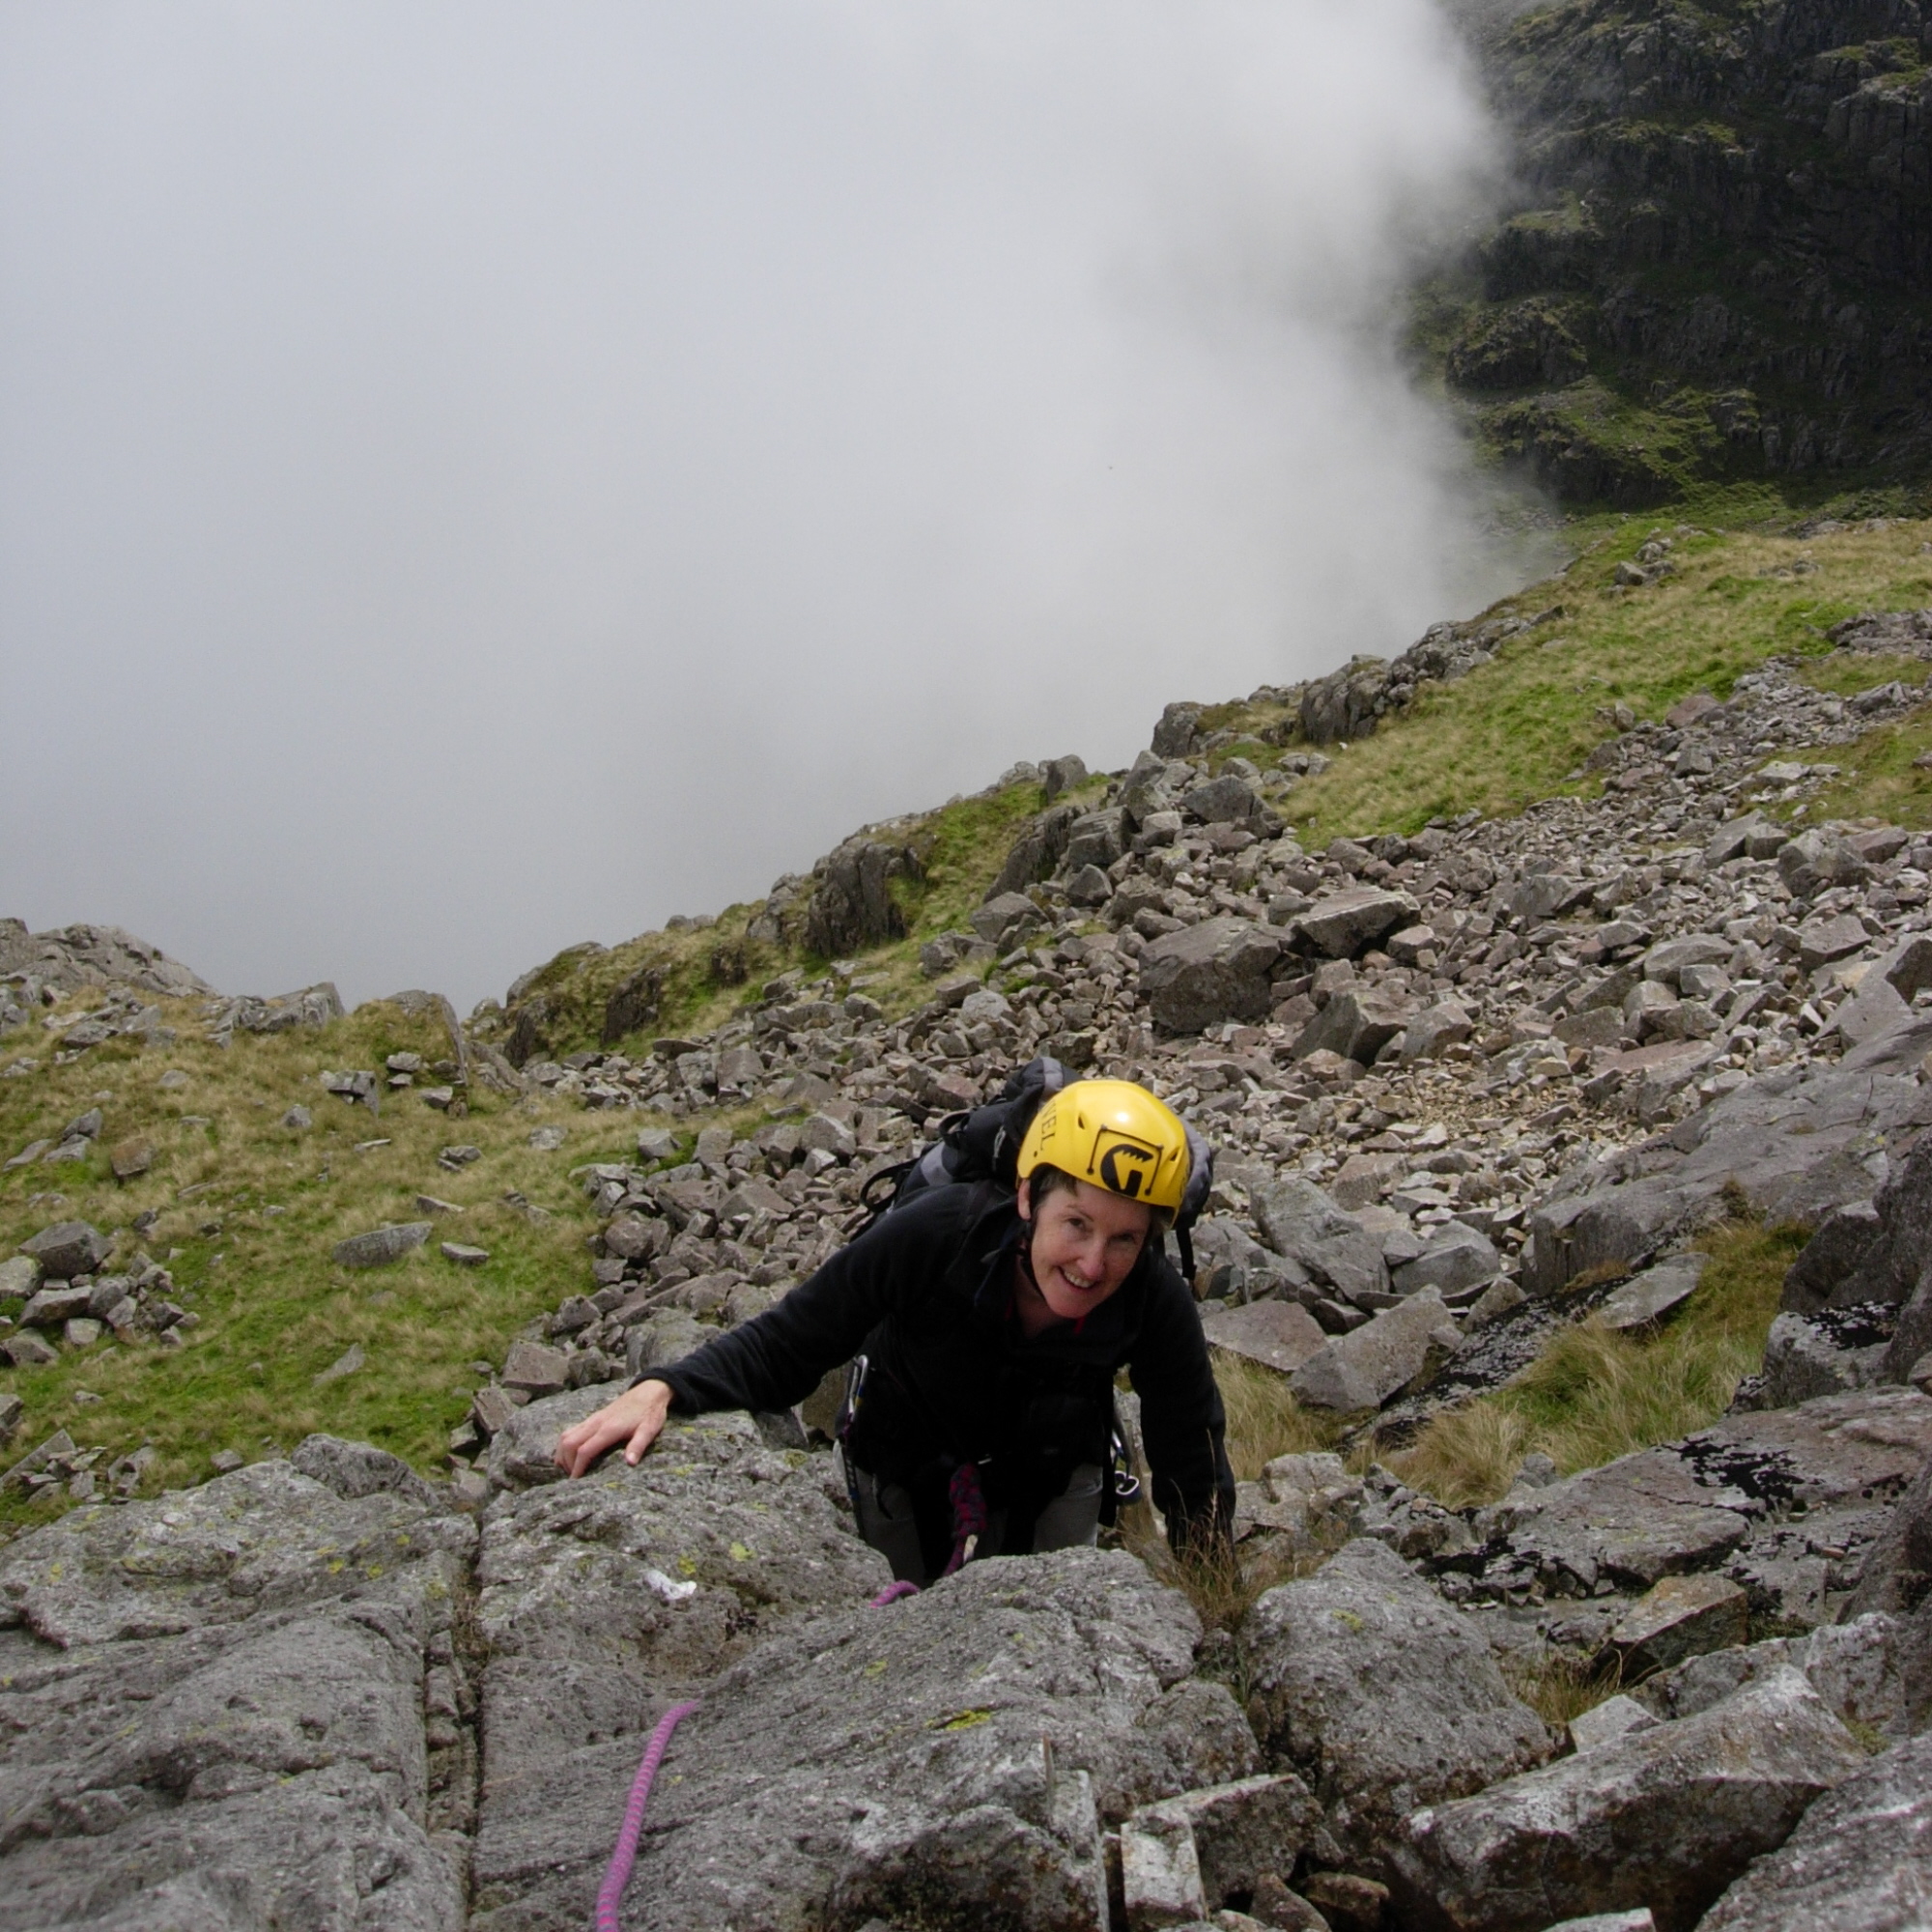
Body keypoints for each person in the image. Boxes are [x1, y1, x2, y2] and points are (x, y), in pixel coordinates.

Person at [554, 1077, 1235, 1583]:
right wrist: (665, 1387)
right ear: (1028, 1196)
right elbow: (796, 1339)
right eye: (1076, 1225)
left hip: (1053, 1475)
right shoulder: (937, 1237)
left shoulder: (1152, 1296)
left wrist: (1214, 1595)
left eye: (1123, 1239)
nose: (1092, 1263)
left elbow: (1190, 1450)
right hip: (904, 1471)